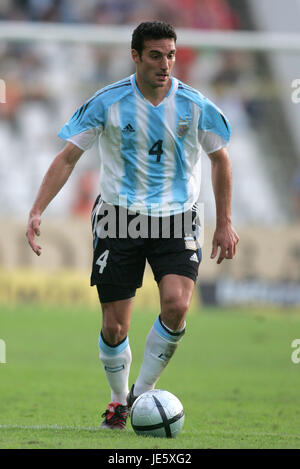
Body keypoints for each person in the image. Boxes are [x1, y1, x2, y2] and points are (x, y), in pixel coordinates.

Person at [26, 21, 239, 430]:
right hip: (119, 217)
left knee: (177, 305)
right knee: (114, 324)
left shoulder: (195, 105)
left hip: (176, 218)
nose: (165, 64)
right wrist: (38, 208)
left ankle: (140, 393)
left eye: (171, 55)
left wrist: (225, 221)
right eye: (156, 55)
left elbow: (221, 160)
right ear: (136, 56)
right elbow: (68, 157)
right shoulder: (108, 102)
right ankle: (117, 400)